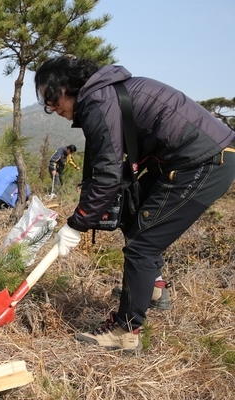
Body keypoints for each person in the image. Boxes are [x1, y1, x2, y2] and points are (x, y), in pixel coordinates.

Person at [35, 56, 235, 353]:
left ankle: (125, 330)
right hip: (183, 159)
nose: (54, 109)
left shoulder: (98, 102)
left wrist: (77, 223)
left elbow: (107, 173)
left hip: (203, 162)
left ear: (65, 87)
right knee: (132, 215)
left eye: (52, 100)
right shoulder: (106, 92)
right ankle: (153, 289)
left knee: (142, 244)